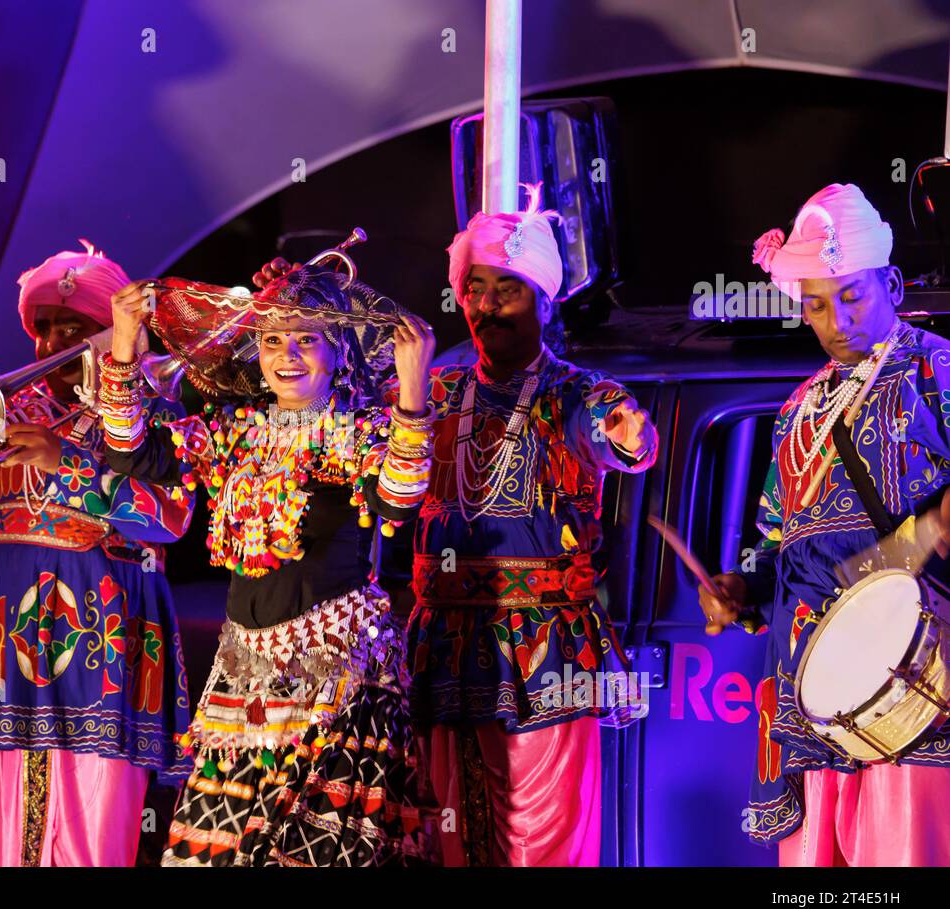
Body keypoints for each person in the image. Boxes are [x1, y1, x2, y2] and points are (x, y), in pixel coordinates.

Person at [257, 186, 657, 866]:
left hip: (546, 648)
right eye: (475, 289)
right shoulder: (431, 390)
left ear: (544, 299)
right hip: (442, 640)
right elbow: (327, 388)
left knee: (543, 838)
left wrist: (625, 434)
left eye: (508, 290)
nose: (487, 306)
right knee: (449, 836)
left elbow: (621, 438)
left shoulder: (579, 391)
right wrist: (298, 300)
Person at [101, 262, 436, 865]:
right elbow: (129, 452)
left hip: (335, 674)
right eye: (273, 339)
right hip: (242, 675)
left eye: (307, 338)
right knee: (223, 851)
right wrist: (125, 338)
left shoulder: (356, 430)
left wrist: (414, 391)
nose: (288, 354)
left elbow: (400, 499)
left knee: (312, 850)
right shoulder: (232, 431)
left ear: (338, 350)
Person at [0, 242, 193, 866]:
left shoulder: (161, 409)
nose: (49, 347)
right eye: (43, 331)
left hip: (104, 635)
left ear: (110, 332)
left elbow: (170, 518)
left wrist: (63, 464)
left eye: (72, 331)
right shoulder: (11, 408)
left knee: (91, 815)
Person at [700, 183, 950, 866]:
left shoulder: (937, 372)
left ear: (892, 283)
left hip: (918, 687)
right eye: (816, 303)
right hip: (811, 690)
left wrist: (923, 536)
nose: (836, 319)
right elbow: (775, 538)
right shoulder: (797, 409)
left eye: (852, 295)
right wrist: (742, 588)